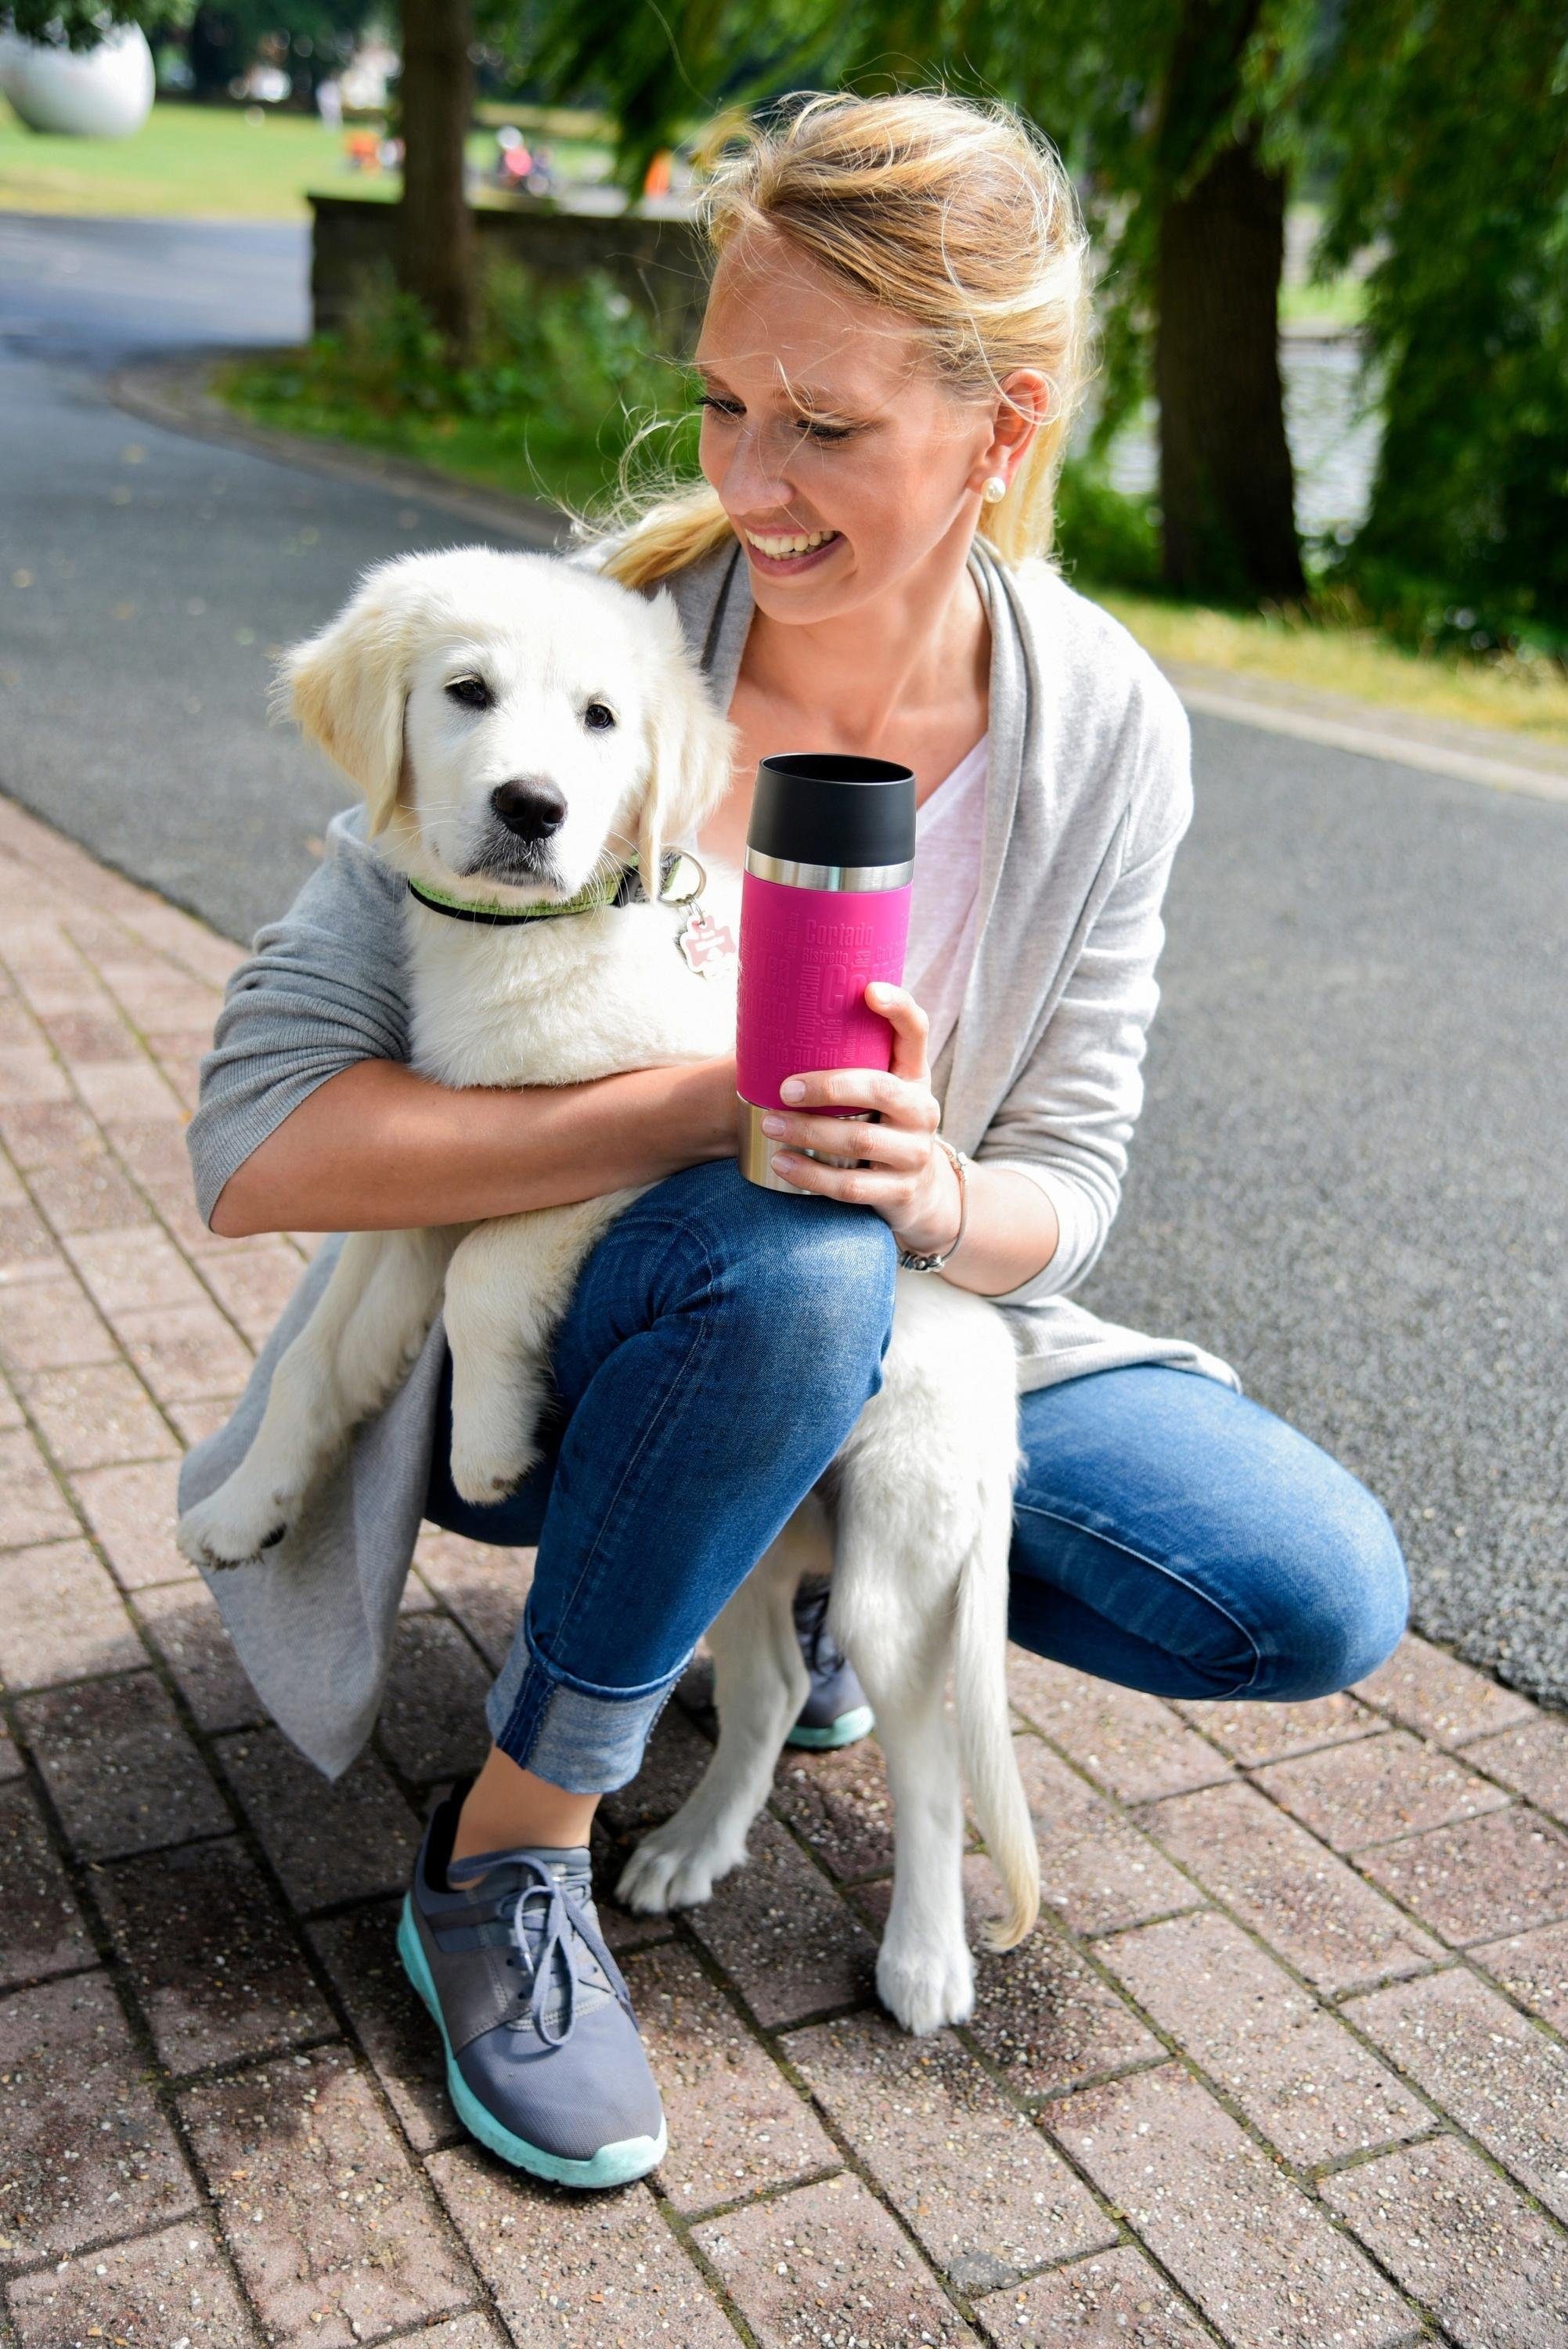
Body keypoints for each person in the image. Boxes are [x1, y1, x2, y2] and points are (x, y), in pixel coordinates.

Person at [178, 86, 1408, 2190]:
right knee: (786, 1263)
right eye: (725, 400)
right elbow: (260, 1140)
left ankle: (784, 1583)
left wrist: (945, 1189)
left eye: (821, 425)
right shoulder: (567, 655)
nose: (744, 478)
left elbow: (1069, 1180)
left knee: (1300, 1589)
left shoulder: (1102, 728)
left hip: (913, 1308)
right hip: (575, 1338)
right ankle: (511, 1845)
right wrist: (699, 1105)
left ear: (1000, 429)